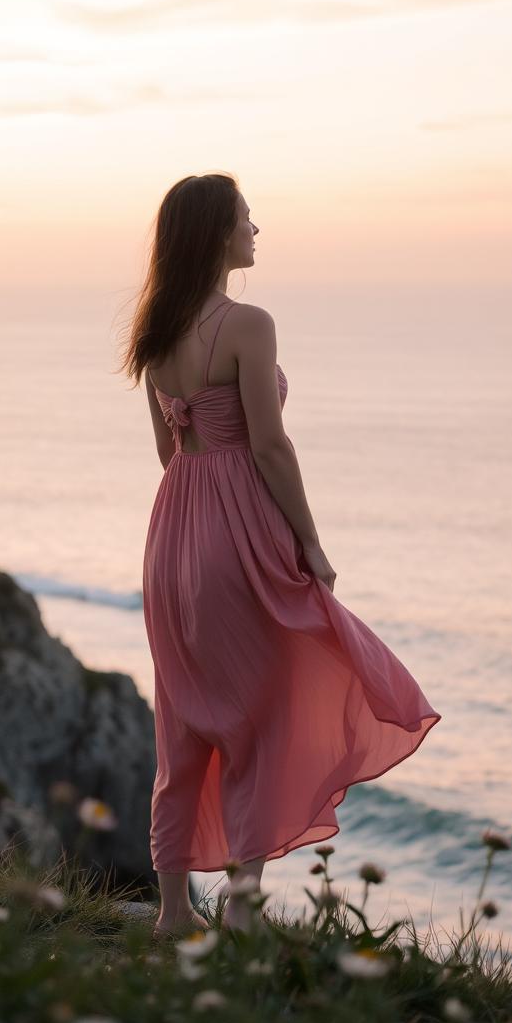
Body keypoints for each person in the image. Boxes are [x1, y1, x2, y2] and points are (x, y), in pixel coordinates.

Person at [119, 172, 441, 937]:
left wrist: (202, 505)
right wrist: (309, 541)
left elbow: (171, 451)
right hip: (239, 533)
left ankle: (171, 914)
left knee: (184, 720)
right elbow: (268, 444)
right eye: (245, 219)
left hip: (171, 538)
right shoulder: (248, 324)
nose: (256, 230)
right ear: (215, 235)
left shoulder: (154, 330)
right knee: (259, 717)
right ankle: (241, 905)